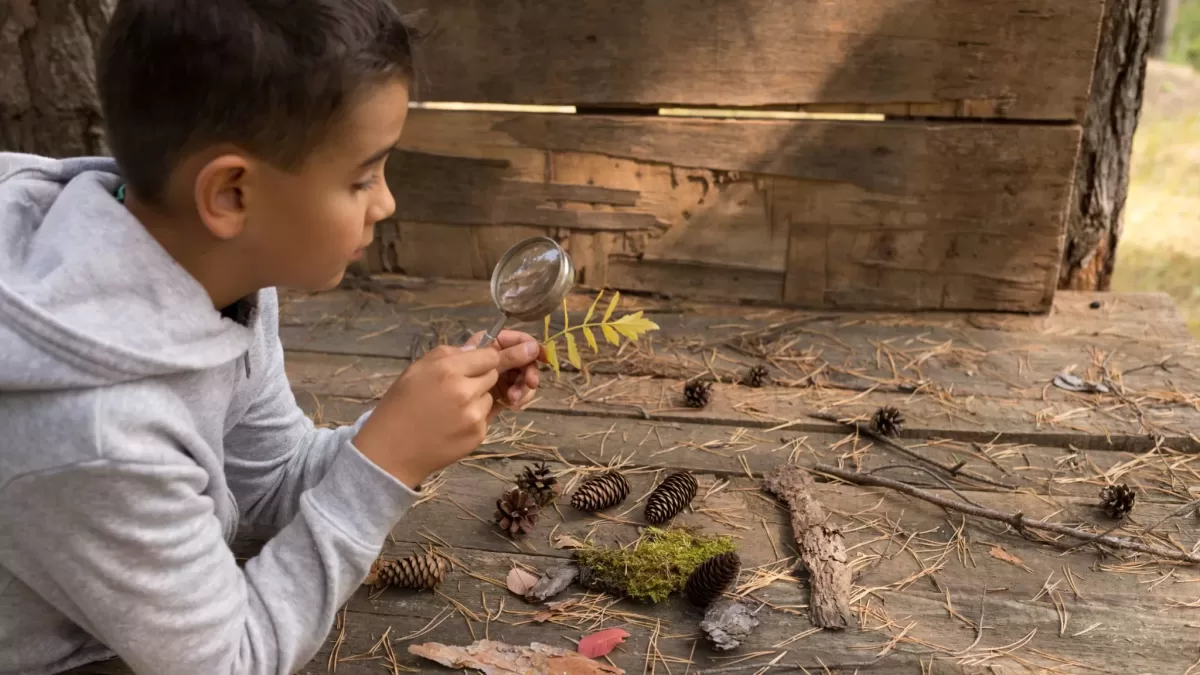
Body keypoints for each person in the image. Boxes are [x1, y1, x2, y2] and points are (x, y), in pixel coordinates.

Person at [0, 1, 546, 673]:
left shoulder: (218, 280)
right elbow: (232, 660)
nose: (387, 204)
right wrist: (385, 467)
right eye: (362, 176)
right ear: (231, 194)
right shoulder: (99, 432)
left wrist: (406, 432)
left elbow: (265, 482)